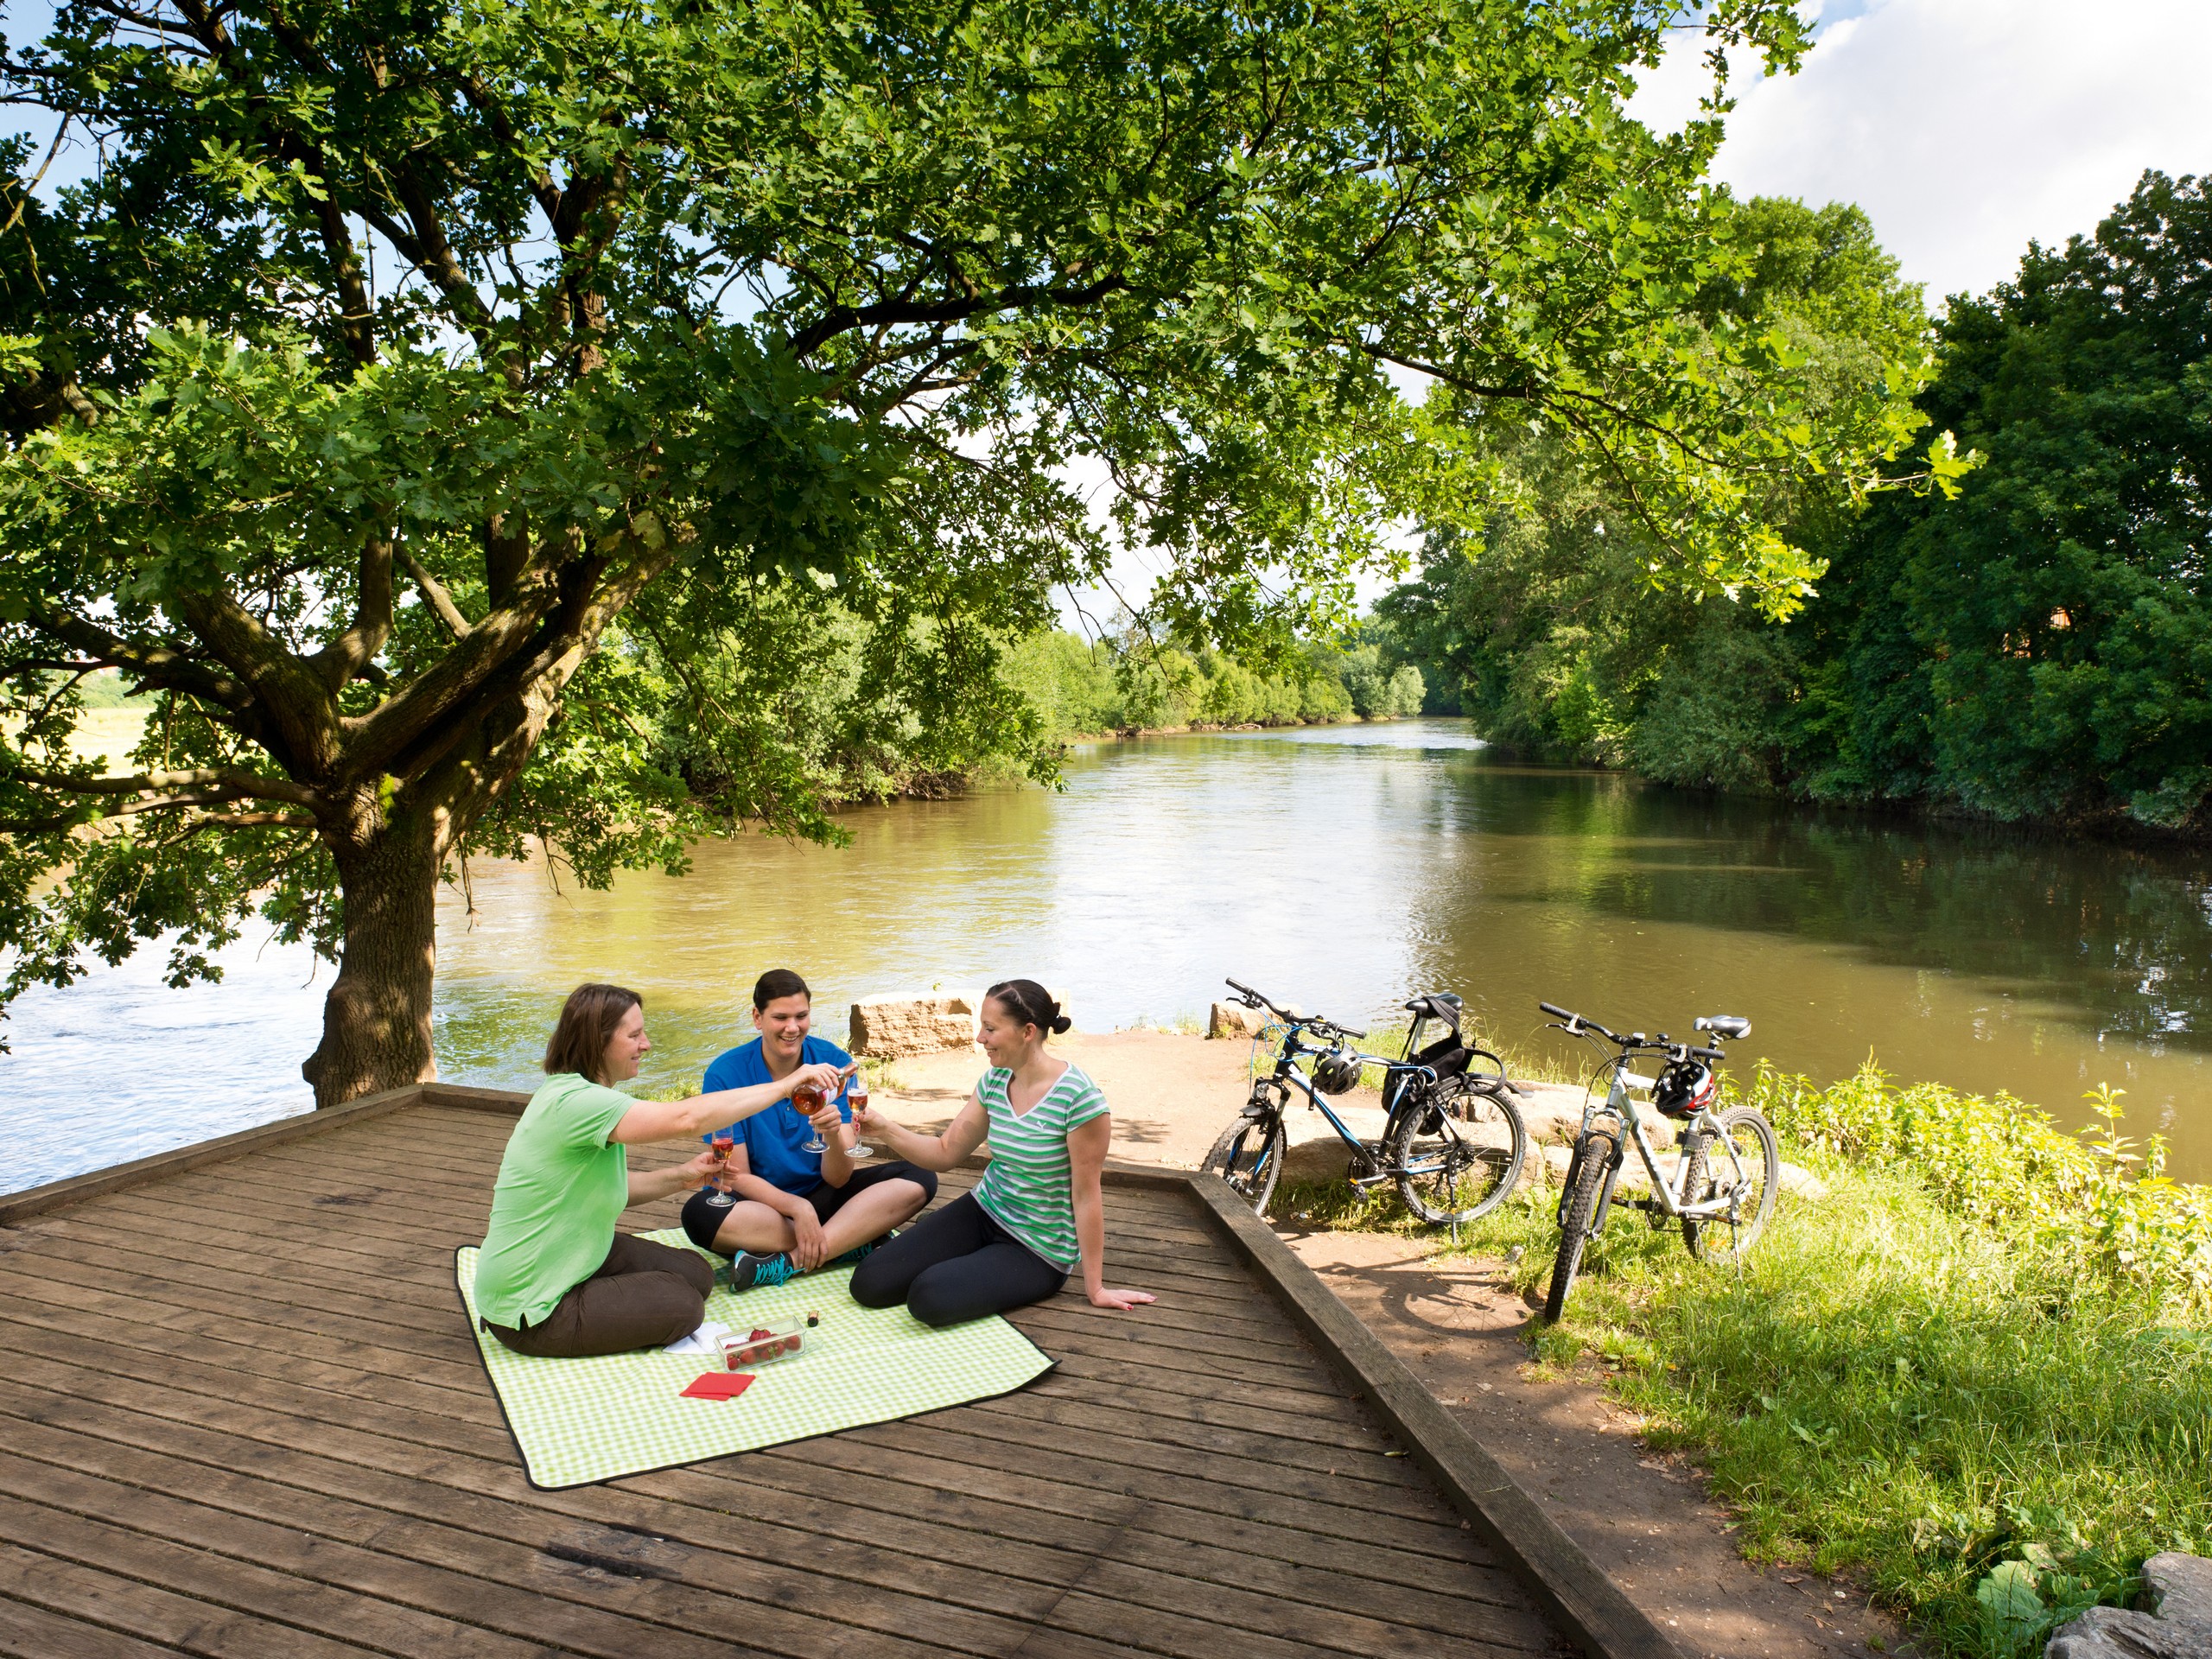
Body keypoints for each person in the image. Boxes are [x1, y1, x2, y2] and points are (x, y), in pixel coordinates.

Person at [473, 982, 849, 1358]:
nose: (646, 1044)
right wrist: (785, 1086)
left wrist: (684, 1176)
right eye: (634, 1035)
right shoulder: (576, 1103)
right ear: (597, 1041)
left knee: (697, 1275)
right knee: (684, 1306)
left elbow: (613, 1188)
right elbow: (686, 1118)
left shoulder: (579, 1094)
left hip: (577, 1254)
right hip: (533, 1307)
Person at [848, 978, 1154, 1326]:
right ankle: (973, 1258)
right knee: (869, 1283)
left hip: (1037, 1248)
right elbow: (946, 1153)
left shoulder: (1080, 1100)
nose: (980, 1038)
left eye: (990, 1028)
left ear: (1027, 1032)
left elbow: (1087, 1196)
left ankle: (985, 1265)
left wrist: (1096, 1288)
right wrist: (886, 1128)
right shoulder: (995, 1081)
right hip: (985, 1210)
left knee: (927, 1297)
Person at [679, 968, 938, 1292]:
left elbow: (839, 1178)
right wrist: (797, 1208)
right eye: (780, 1017)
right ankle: (850, 1240)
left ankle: (788, 1262)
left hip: (824, 1194)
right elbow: (734, 1175)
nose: (792, 1028)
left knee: (919, 1178)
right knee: (699, 1215)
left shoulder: (833, 1063)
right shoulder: (725, 1074)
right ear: (757, 1018)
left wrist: (832, 1133)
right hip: (765, 1208)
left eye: (801, 1016)